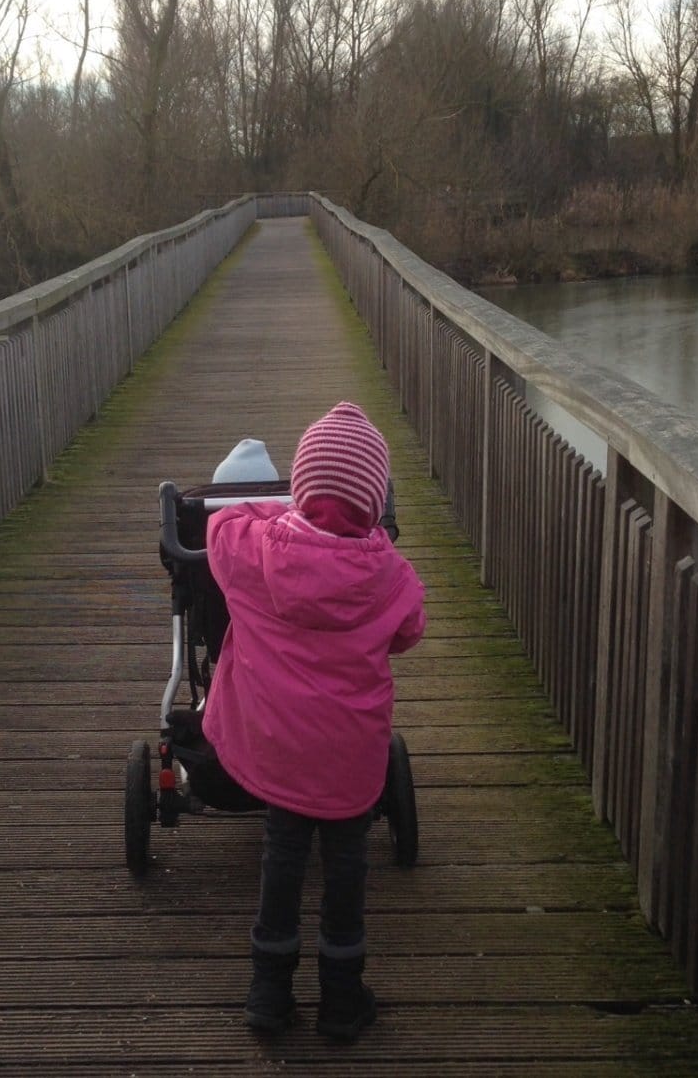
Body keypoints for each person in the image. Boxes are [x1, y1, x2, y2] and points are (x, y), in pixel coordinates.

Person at [202, 401, 426, 1041]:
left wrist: (279, 511)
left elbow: (221, 528)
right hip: (352, 759)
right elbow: (411, 630)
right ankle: (341, 999)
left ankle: (268, 995)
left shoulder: (251, 554)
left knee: (283, 858)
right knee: (348, 867)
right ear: (376, 501)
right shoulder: (388, 574)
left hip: (278, 754)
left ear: (299, 487)